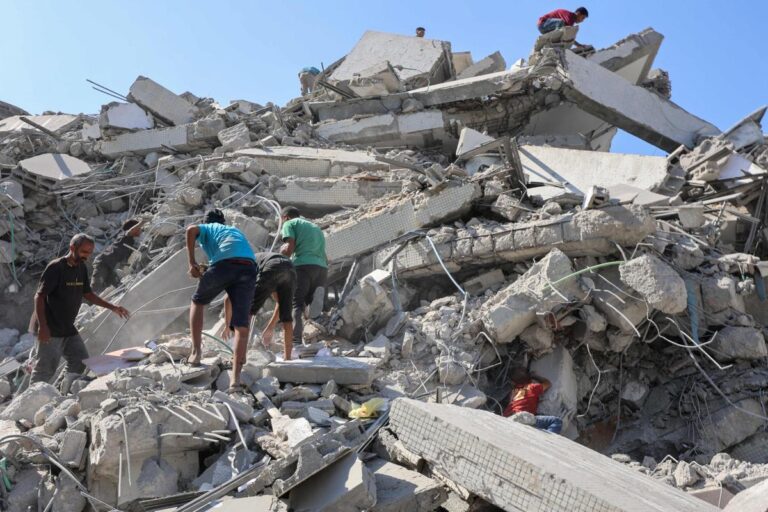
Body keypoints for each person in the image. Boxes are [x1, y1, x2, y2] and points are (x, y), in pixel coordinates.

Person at [30, 233, 130, 384]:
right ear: (72, 248)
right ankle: (32, 398)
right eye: (84, 252)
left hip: (67, 326)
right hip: (50, 327)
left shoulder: (81, 267)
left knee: (80, 361)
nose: (87, 256)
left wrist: (112, 307)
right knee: (44, 371)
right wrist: (43, 327)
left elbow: (88, 294)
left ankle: (62, 389)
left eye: (90, 252)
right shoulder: (56, 267)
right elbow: (39, 296)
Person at [186, 209, 257, 389]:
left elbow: (190, 230)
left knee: (197, 301)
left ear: (207, 221)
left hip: (224, 264)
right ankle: (235, 380)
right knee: (241, 325)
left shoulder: (208, 227)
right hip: (249, 266)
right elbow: (234, 255)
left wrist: (192, 263)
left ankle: (196, 353)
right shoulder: (232, 231)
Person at [223, 252, 296, 360]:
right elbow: (280, 304)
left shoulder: (239, 268)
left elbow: (227, 298)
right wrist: (270, 328)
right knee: (287, 317)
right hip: (290, 268)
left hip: (272, 266)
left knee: (247, 312)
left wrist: (227, 325)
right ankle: (288, 358)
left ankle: (239, 356)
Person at [279, 207, 327, 348]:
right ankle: (315, 339)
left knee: (296, 304)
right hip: (321, 268)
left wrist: (281, 259)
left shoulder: (289, 223)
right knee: (313, 307)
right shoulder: (315, 227)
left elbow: (289, 247)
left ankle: (295, 342)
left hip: (302, 266)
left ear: (285, 217)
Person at [91, 218, 144, 293]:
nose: (140, 230)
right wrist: (143, 222)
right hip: (103, 262)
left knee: (120, 288)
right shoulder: (124, 236)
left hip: (111, 267)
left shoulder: (130, 241)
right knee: (96, 287)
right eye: (139, 228)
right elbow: (130, 231)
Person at [503, 367, 563, 434]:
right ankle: (547, 440)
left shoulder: (514, 391)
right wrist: (535, 376)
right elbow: (547, 383)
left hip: (507, 417)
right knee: (556, 421)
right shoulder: (532, 387)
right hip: (522, 417)